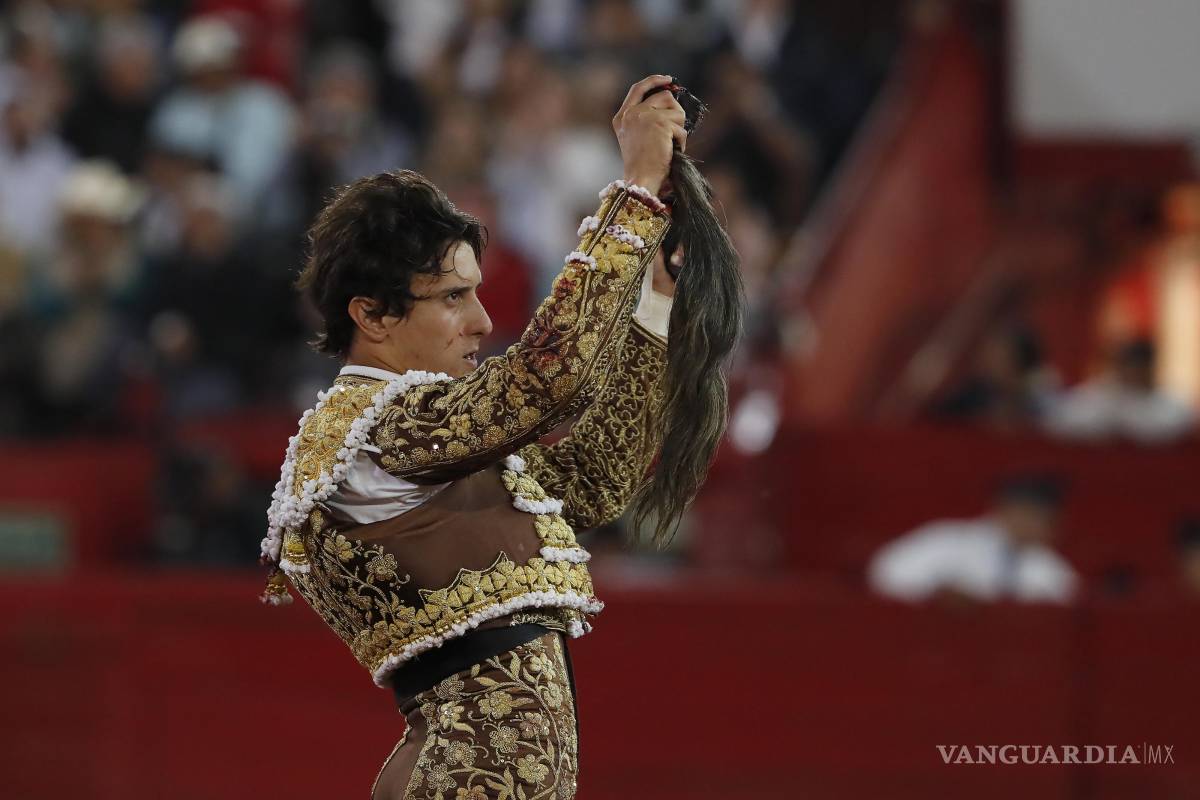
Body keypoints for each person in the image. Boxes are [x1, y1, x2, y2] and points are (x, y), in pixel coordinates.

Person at [261, 75, 689, 799]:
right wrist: (636, 191)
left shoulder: (427, 440)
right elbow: (547, 378)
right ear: (373, 316)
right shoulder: (372, 431)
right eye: (454, 297)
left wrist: (656, 299)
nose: (484, 322)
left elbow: (594, 480)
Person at [867, 475, 1079, 605]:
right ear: (1006, 510)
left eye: (1047, 519)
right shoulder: (946, 539)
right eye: (1031, 515)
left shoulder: (1052, 568)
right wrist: (935, 593)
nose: (1037, 525)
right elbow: (887, 573)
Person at [1043, 338, 1194, 445]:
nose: (1134, 373)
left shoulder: (1169, 403)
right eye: (1129, 366)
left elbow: (1174, 426)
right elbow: (1061, 420)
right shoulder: (1100, 394)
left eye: (1140, 367)